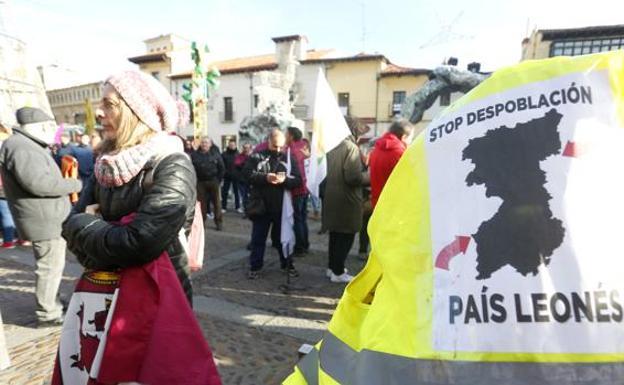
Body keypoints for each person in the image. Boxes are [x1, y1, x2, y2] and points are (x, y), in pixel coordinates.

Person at [0, 107, 82, 326]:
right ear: (40, 127)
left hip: (45, 218)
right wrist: (74, 184)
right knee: (49, 267)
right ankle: (48, 313)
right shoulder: (21, 147)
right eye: (49, 127)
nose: (52, 133)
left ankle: (50, 301)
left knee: (51, 266)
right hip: (43, 220)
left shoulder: (22, 145)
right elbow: (38, 183)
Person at [243, 129, 301, 279]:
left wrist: (285, 181)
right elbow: (246, 175)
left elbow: (298, 180)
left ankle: (287, 264)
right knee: (258, 238)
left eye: (281, 146)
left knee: (283, 238)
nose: (278, 150)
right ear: (268, 142)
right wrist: (265, 178)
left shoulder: (289, 158)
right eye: (275, 146)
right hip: (261, 206)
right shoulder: (257, 157)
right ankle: (255, 267)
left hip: (282, 207)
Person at [322, 124, 370, 283]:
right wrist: (368, 176)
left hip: (332, 197)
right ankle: (338, 271)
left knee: (335, 235)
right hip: (347, 199)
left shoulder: (332, 146)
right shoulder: (350, 148)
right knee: (347, 235)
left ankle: (332, 267)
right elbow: (353, 177)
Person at [369, 119, 414, 208]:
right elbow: (409, 182)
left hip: (378, 203)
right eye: (411, 138)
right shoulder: (401, 154)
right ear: (404, 137)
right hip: (395, 206)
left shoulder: (376, 149)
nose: (411, 142)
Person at [286, 125, 310, 256]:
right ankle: (305, 244)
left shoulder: (291, 150)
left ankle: (300, 247)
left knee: (298, 219)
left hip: (297, 188)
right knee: (303, 218)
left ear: (291, 136)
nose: (285, 136)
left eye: (286, 134)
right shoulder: (304, 146)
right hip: (306, 187)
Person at [191, 137, 225, 230]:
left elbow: (222, 168)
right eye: (202, 142)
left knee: (217, 203)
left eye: (206, 142)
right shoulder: (194, 155)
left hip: (214, 181)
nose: (204, 144)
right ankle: (202, 223)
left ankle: (219, 223)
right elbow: (191, 169)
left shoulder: (216, 155)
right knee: (201, 204)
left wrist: (218, 180)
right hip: (200, 182)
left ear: (210, 144)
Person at [221, 138, 241, 213]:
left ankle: (238, 207)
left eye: (233, 145)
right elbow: (222, 165)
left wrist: (239, 173)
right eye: (230, 145)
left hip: (236, 176)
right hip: (227, 176)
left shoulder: (238, 154)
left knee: (237, 192)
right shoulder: (224, 154)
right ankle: (223, 207)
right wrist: (224, 173)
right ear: (228, 145)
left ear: (235, 145)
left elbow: (241, 165)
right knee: (225, 192)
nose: (232, 146)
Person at [234, 143, 252, 215]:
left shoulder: (253, 156)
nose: (246, 149)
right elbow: (237, 164)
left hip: (251, 180)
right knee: (244, 196)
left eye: (247, 148)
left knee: (251, 196)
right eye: (245, 147)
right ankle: (246, 211)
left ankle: (251, 210)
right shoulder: (239, 156)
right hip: (242, 180)